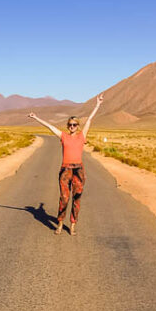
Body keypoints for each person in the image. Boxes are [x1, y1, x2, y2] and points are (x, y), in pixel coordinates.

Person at [28, 94, 104, 236]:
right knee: (64, 198)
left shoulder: (82, 136)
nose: (72, 127)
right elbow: (49, 127)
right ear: (67, 126)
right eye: (70, 125)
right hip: (65, 170)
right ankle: (60, 224)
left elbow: (89, 120)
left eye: (74, 124)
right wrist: (35, 117)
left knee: (77, 198)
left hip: (78, 170)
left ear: (78, 126)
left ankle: (73, 224)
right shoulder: (63, 136)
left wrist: (98, 105)